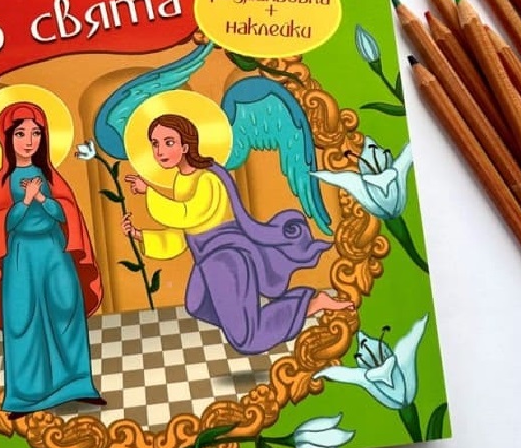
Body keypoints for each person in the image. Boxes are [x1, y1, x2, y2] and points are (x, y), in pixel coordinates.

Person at [120, 114, 351, 355]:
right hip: (206, 258)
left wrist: (149, 193)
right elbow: (184, 231)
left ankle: (310, 304)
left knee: (247, 340)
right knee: (197, 304)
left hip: (226, 258)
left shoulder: (208, 178)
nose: (160, 151)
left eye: (169, 142)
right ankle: (244, 319)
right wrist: (140, 235)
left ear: (186, 146)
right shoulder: (182, 180)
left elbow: (188, 214)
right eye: (155, 144)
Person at [0, 102, 105, 417]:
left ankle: (77, 385)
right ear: (6, 138)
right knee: (23, 320)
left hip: (54, 252)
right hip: (21, 257)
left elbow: (67, 213)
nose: (29, 141)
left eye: (36, 133)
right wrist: (25, 202)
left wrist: (43, 198)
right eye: (20, 133)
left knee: (66, 312)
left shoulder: (51, 178)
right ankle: (25, 397)